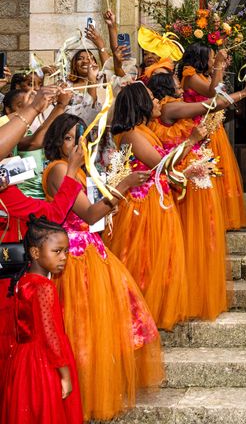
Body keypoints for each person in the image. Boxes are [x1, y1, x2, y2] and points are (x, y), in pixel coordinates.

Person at [42, 114, 164, 421]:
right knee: (83, 330)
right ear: (58, 142)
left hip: (90, 253)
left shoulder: (78, 170)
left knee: (108, 323)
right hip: (74, 258)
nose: (77, 145)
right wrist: (122, 185)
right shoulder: (59, 169)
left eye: (80, 138)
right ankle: (83, 396)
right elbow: (90, 212)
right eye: (70, 138)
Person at [148, 72, 246, 319]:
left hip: (196, 175)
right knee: (197, 237)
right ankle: (192, 297)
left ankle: (198, 293)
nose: (180, 85)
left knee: (204, 236)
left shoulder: (173, 108)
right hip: (187, 180)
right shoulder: (170, 108)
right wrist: (244, 93)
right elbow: (212, 103)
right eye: (175, 83)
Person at [103, 82, 194, 330]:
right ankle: (139, 317)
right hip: (142, 205)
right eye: (152, 98)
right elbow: (160, 163)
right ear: (140, 103)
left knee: (161, 259)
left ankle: (153, 313)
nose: (157, 103)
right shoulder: (132, 134)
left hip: (156, 200)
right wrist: (191, 141)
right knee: (144, 258)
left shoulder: (144, 130)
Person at [1, 216, 83, 424]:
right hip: (44, 363)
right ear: (35, 253)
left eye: (66, 251)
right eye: (57, 251)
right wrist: (64, 374)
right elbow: (50, 336)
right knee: (49, 411)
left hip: (22, 361)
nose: (64, 257)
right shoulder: (45, 287)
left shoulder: (22, 281)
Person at [179, 42, 246, 230]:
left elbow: (218, 91)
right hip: (198, 130)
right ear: (201, 58)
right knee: (206, 173)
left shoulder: (203, 75)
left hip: (213, 129)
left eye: (214, 57)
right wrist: (218, 66)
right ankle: (207, 219)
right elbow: (213, 94)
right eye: (211, 57)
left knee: (219, 173)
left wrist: (218, 69)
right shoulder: (189, 74)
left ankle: (219, 217)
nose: (213, 60)